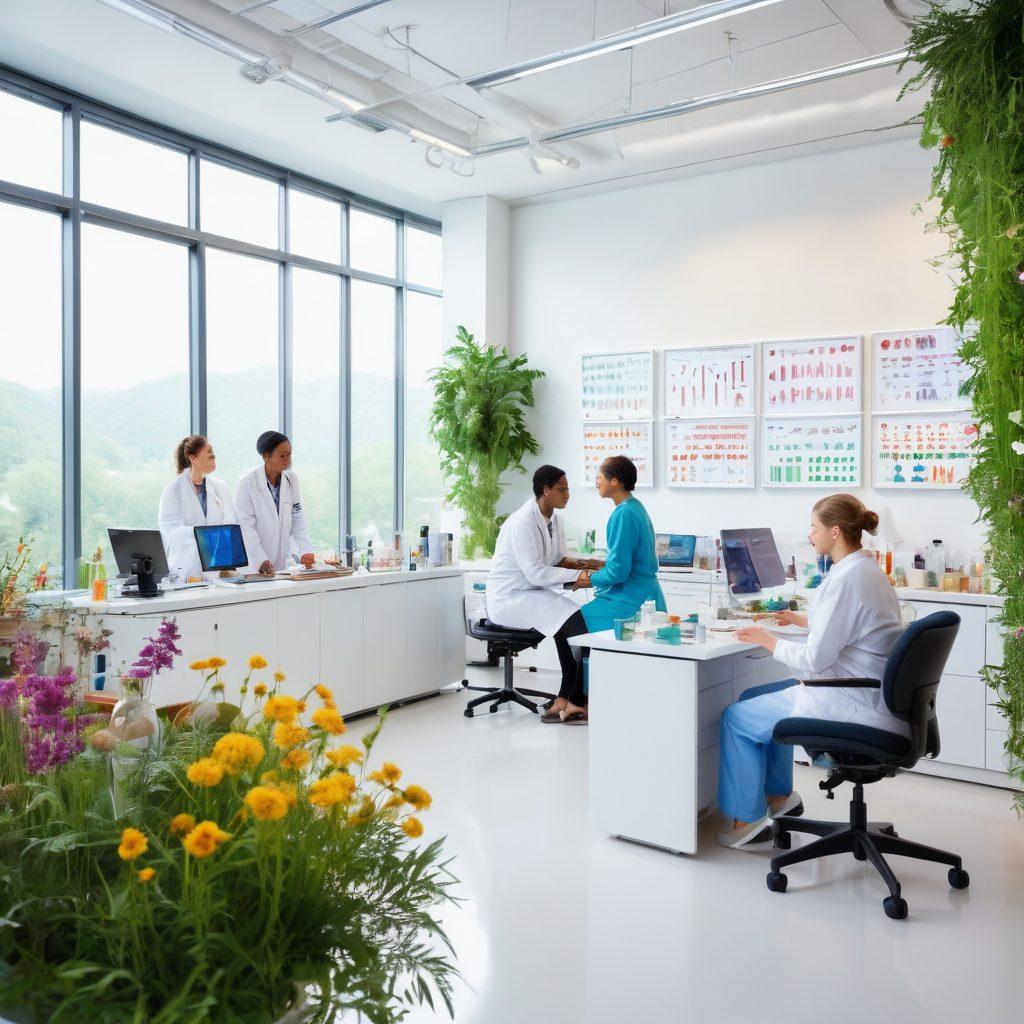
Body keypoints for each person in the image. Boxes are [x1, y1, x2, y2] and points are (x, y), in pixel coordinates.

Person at [716, 493, 905, 850]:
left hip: (849, 703)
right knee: (752, 697)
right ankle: (777, 798)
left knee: (736, 717)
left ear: (835, 532)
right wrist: (799, 621)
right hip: (869, 694)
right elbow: (845, 628)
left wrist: (767, 641)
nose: (810, 535)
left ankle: (746, 821)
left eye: (814, 528)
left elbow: (816, 659)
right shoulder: (864, 571)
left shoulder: (848, 579)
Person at [486, 466, 602, 723]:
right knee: (573, 622)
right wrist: (583, 579)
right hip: (509, 597)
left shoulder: (554, 520)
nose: (567, 494)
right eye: (562, 489)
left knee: (572, 625)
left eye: (568, 489)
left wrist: (594, 564)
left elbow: (559, 559)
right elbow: (536, 573)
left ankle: (567, 697)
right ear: (545, 490)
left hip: (531, 593)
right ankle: (573, 699)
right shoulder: (522, 521)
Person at [557, 455, 666, 725]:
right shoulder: (634, 507)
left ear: (615, 481)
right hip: (641, 592)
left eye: (600, 477)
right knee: (581, 637)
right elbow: (621, 562)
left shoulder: (623, 513)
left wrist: (586, 579)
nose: (597, 482)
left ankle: (576, 702)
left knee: (564, 628)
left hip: (629, 599)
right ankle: (580, 699)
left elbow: (618, 572)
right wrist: (596, 570)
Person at [234, 431, 314, 575]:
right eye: (282, 456)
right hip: (254, 566)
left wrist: (305, 551)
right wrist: (260, 560)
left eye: (289, 454)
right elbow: (246, 528)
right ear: (265, 456)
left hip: (281, 564)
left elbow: (297, 518)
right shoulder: (247, 483)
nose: (288, 460)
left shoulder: (291, 480)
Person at [158, 434, 235, 580]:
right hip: (187, 569)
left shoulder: (220, 487)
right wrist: (202, 534)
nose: (213, 455)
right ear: (193, 458)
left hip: (216, 569)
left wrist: (229, 562)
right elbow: (171, 532)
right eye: (209, 451)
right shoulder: (173, 491)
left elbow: (231, 525)